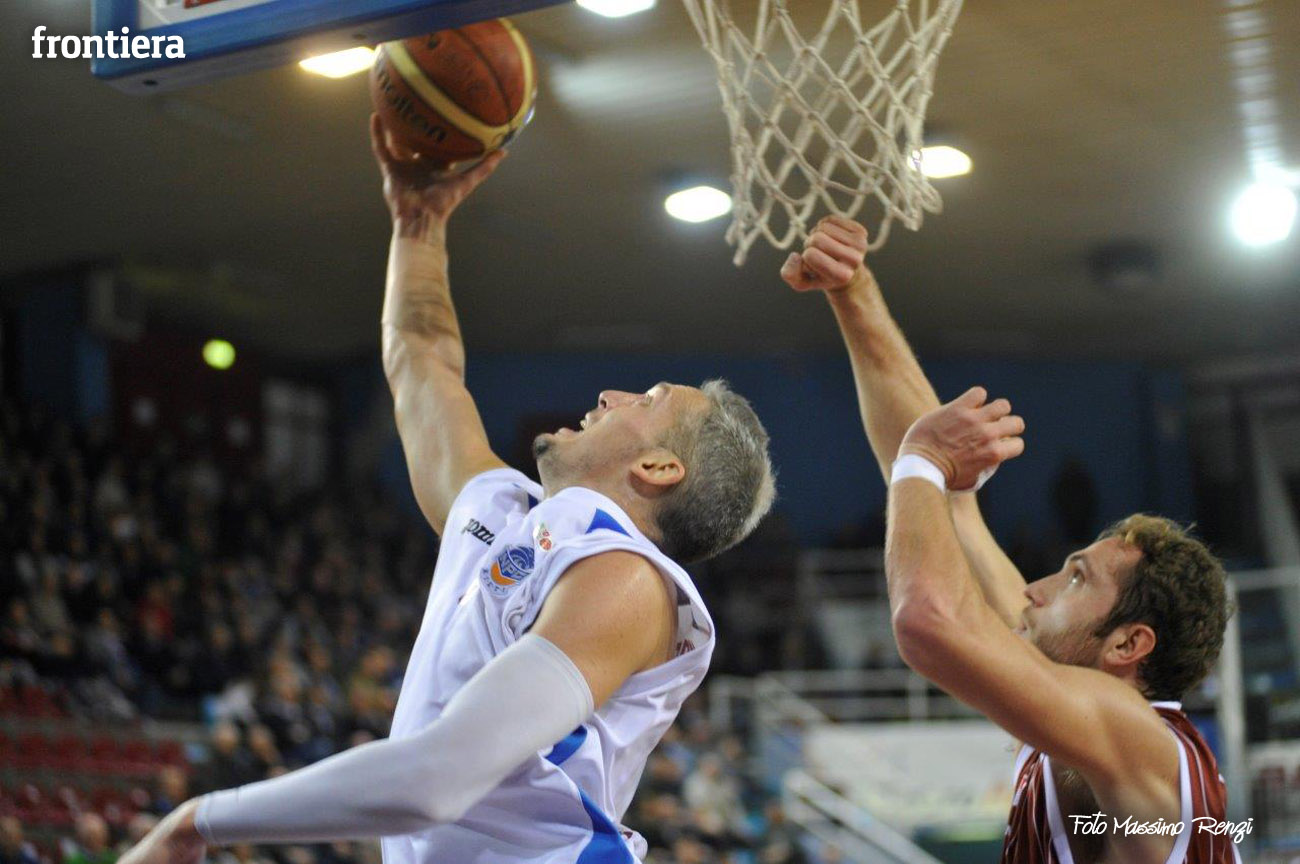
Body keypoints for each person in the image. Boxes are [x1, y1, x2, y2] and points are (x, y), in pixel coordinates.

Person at [117, 117, 775, 864]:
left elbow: (438, 778)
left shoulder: (627, 579)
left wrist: (201, 819)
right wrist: (418, 226)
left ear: (658, 468)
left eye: (646, 400)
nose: (610, 395)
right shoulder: (502, 512)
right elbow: (422, 359)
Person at [783, 216, 1237, 863]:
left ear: (1128, 644)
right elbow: (947, 500)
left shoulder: (1135, 732)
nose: (1035, 588)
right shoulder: (1068, 694)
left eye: (1076, 578)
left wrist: (923, 461)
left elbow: (927, 623)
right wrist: (854, 292)